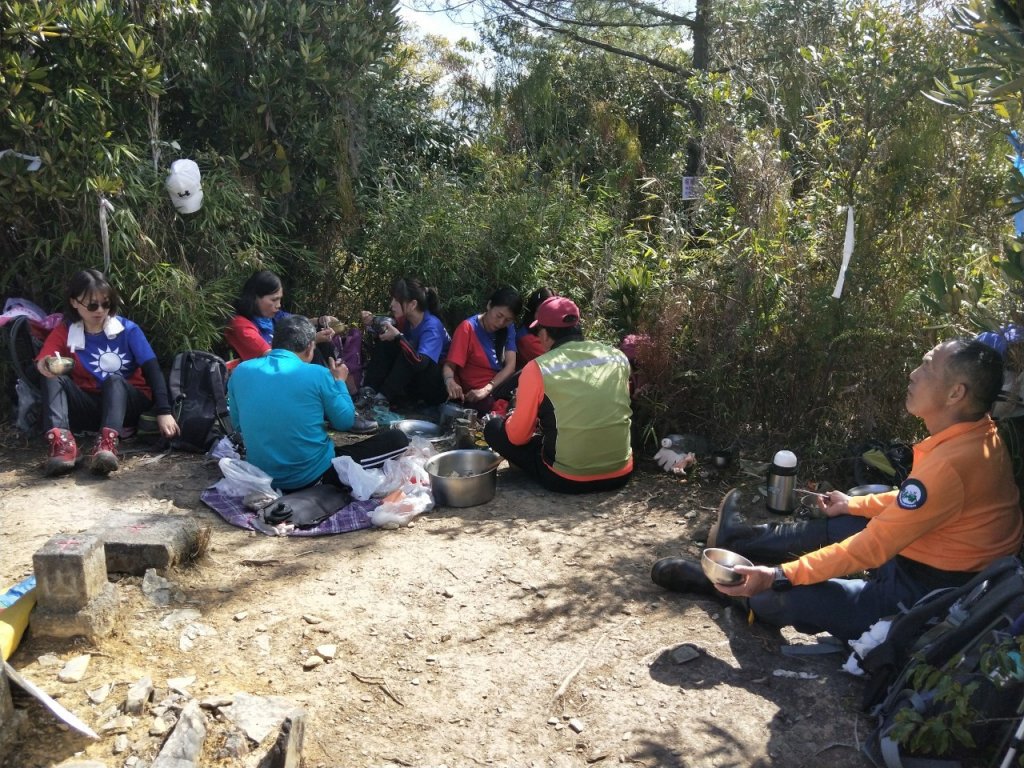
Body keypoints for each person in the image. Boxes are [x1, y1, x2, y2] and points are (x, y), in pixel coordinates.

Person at [651, 339, 1024, 641]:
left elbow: (872, 546)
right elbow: (918, 503)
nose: (913, 374)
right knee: (851, 515)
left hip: (927, 594)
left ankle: (727, 586)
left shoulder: (952, 463)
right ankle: (742, 540)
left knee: (788, 594)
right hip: (927, 555)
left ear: (956, 393)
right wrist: (854, 504)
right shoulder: (978, 435)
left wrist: (779, 576)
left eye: (927, 366)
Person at [227, 316, 407, 493]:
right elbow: (344, 421)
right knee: (398, 439)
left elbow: (238, 426)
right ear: (309, 348)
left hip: (261, 476)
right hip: (311, 477)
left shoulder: (241, 371)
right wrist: (339, 383)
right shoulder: (318, 374)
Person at [34, 269, 180, 476]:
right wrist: (47, 365)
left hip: (128, 403)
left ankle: (107, 445)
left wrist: (164, 412)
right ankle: (63, 444)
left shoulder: (128, 330)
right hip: (89, 404)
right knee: (51, 376)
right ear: (75, 302)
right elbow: (44, 360)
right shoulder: (66, 331)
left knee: (114, 380)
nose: (100, 310)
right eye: (93, 305)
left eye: (106, 304)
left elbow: (153, 370)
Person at [483, 296, 634, 493]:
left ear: (544, 334)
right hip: (620, 474)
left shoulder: (539, 368)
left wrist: (513, 410)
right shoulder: (617, 356)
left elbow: (517, 437)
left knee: (494, 428)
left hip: (567, 479)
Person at [225, 270, 375, 433]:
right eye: (274, 300)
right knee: (318, 350)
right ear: (255, 298)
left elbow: (297, 323)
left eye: (280, 299)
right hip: (269, 381)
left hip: (283, 380)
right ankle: (338, 407)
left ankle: (340, 404)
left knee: (323, 344)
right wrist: (312, 340)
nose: (278, 305)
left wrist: (319, 321)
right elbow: (274, 357)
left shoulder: (269, 317)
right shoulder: (240, 325)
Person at [358, 278, 450, 409]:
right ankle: (369, 391)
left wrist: (398, 337)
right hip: (415, 380)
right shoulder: (407, 320)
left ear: (412, 304)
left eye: (396, 300)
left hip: (435, 387)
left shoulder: (432, 327)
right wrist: (372, 322)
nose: (392, 304)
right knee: (387, 342)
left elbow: (420, 362)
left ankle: (383, 398)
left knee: (406, 348)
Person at [442, 287, 522, 414]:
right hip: (474, 393)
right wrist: (450, 381)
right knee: (484, 406)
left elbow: (510, 366)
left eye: (507, 320)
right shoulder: (468, 328)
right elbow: (450, 365)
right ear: (489, 305)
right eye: (499, 316)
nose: (501, 322)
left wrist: (487, 389)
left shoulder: (508, 328)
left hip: (495, 387)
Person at [515, 287, 554, 367]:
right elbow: (554, 365)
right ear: (532, 312)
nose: (547, 316)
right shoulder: (527, 339)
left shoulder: (546, 330)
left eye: (551, 311)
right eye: (542, 312)